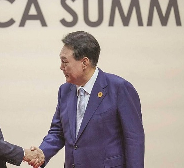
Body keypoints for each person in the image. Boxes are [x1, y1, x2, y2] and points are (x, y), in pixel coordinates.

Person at [37, 31, 145, 168]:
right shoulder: (65, 91)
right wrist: (41, 153)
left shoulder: (119, 88)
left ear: (84, 63)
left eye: (65, 62)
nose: (61, 67)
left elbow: (134, 139)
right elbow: (58, 132)